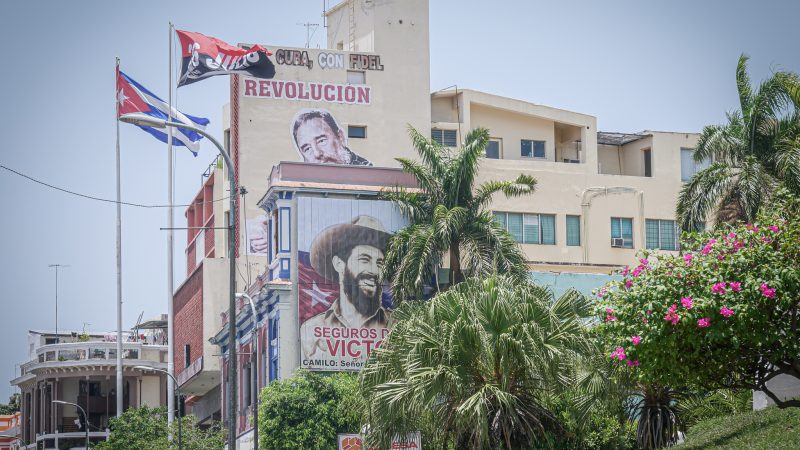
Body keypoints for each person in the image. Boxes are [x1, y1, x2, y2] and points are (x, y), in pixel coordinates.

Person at [300, 215, 391, 359]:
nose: (374, 271)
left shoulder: (397, 326)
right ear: (339, 264)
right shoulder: (311, 331)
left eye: (380, 263)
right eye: (364, 260)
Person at [291, 109, 372, 166]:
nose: (317, 154)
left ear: (340, 137)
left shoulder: (367, 172)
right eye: (307, 149)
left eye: (321, 141)